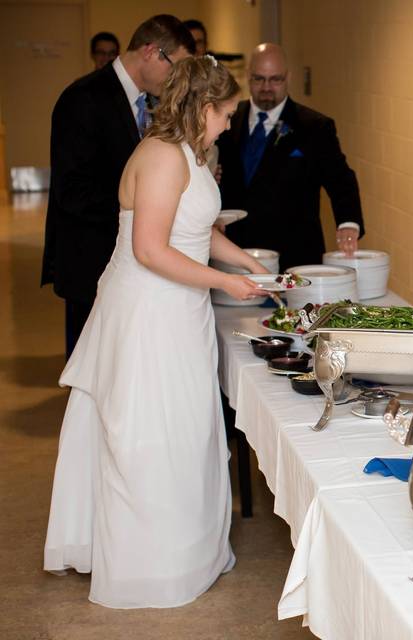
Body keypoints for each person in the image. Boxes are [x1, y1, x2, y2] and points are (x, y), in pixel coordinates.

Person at [44, 55, 269, 608]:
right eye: (227, 113)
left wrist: (250, 265)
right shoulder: (162, 156)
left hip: (181, 306)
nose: (229, 124)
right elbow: (149, 250)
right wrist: (225, 281)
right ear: (204, 107)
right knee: (150, 432)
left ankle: (190, 550)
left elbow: (197, 229)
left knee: (186, 428)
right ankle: (151, 566)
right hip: (147, 308)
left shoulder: (193, 152)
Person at [41, 15, 195, 359]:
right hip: (90, 261)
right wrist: (143, 204)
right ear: (152, 52)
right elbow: (72, 191)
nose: (175, 80)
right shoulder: (83, 98)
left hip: (128, 262)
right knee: (91, 366)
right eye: (175, 67)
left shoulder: (150, 102)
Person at [217, 43, 364, 269]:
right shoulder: (226, 119)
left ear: (288, 77)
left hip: (294, 254)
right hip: (234, 252)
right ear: (247, 76)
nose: (267, 87)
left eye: (275, 79)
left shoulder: (315, 127)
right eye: (258, 79)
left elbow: (340, 179)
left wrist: (348, 223)